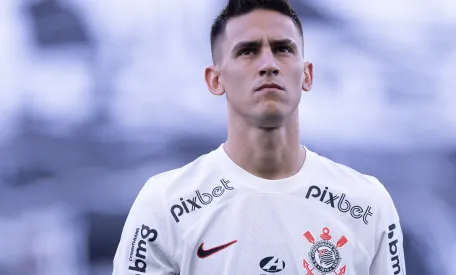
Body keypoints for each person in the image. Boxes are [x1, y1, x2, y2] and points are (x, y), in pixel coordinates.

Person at [112, 0, 407, 274]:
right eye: (247, 51)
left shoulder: (367, 205)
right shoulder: (165, 205)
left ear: (307, 75)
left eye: (283, 49)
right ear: (216, 80)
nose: (269, 64)